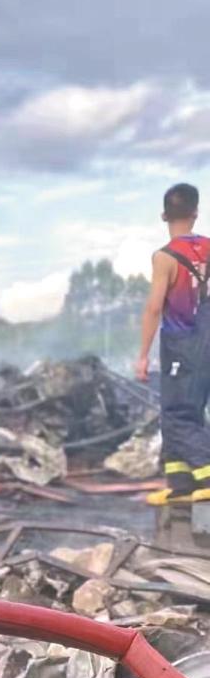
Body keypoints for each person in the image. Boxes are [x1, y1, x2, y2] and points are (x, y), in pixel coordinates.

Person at [136, 183, 210, 505]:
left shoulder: (164, 257)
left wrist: (142, 356)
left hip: (182, 342)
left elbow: (154, 307)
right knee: (181, 411)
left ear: (164, 215)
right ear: (195, 213)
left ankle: (206, 472)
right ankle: (181, 482)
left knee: (179, 412)